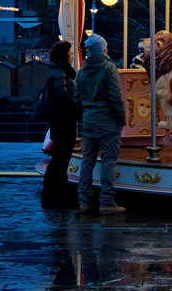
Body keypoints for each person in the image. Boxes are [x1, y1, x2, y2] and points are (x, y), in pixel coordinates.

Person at [74, 33, 126, 215]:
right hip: (107, 122)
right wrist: (121, 119)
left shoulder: (82, 72)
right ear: (103, 50)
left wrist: (84, 116)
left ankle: (83, 201)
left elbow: (77, 99)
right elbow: (115, 97)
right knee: (108, 161)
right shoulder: (108, 69)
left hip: (89, 121)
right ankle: (106, 202)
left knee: (87, 161)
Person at [42, 40, 78, 208]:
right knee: (61, 157)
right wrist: (75, 107)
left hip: (61, 119)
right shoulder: (60, 72)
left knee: (60, 157)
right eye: (70, 54)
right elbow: (63, 95)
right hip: (64, 120)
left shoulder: (57, 71)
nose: (72, 57)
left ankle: (54, 192)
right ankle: (56, 193)